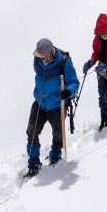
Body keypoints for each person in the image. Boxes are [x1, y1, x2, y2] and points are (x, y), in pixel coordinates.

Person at [26, 38, 80, 176]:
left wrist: (68, 92)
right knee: (31, 132)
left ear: (49, 53)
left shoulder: (64, 62)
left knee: (58, 133)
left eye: (41, 55)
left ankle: (55, 155)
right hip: (39, 102)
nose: (38, 57)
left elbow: (73, 82)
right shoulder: (37, 59)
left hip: (56, 105)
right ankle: (33, 163)